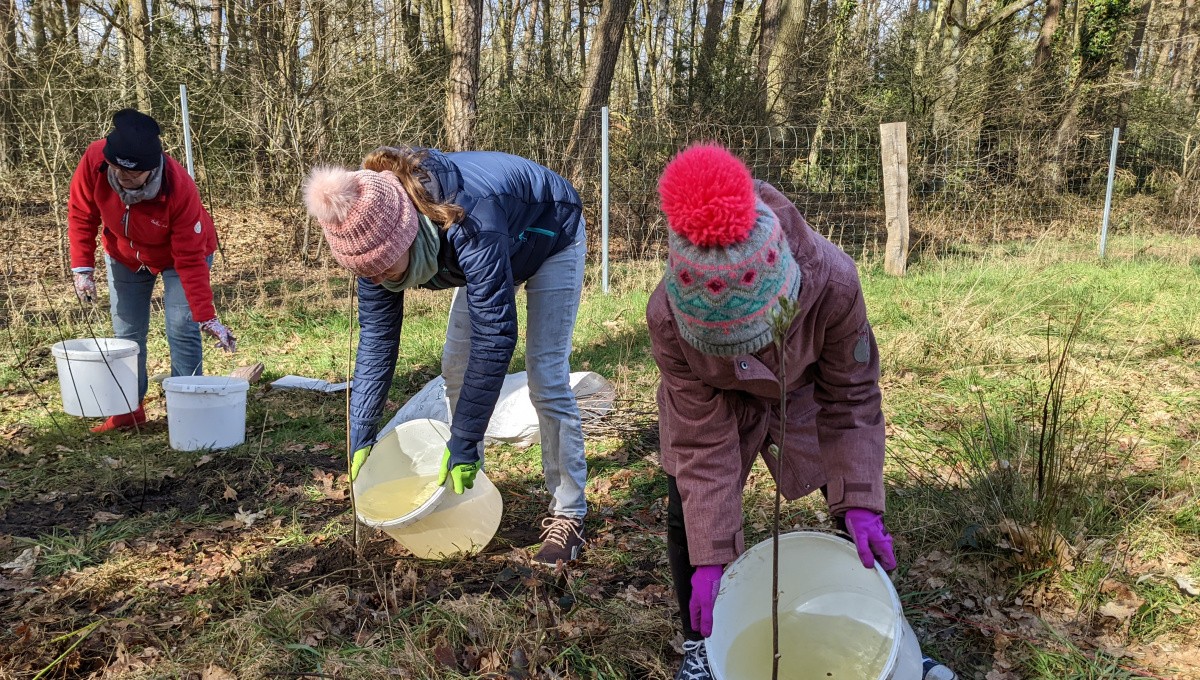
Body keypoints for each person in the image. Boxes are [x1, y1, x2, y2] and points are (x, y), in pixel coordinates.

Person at [646, 144, 956, 680]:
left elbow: (851, 398)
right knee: (686, 504)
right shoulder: (668, 320)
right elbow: (702, 445)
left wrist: (859, 500)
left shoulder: (833, 283)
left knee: (848, 506)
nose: (750, 357)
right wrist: (712, 556)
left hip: (805, 394)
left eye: (760, 338)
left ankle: (877, 624)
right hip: (716, 408)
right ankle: (703, 644)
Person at [302, 145, 589, 565]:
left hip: (549, 231)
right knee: (454, 366)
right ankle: (470, 488)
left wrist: (466, 438)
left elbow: (496, 336)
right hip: (493, 246)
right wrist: (360, 433)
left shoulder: (470, 217)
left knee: (544, 374)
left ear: (408, 235)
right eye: (368, 273)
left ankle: (569, 512)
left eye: (386, 269)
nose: (379, 279)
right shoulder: (371, 248)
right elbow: (377, 342)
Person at [68, 109, 236, 432]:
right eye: (117, 171)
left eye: (132, 176)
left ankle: (188, 409)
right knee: (126, 335)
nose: (122, 179)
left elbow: (190, 259)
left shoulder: (179, 188)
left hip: (178, 257)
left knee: (181, 326)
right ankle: (128, 409)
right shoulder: (95, 160)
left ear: (151, 169)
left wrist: (206, 315)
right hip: (123, 253)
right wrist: (82, 267)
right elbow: (81, 212)